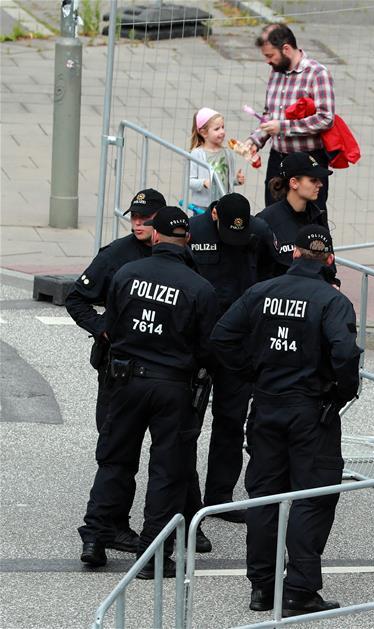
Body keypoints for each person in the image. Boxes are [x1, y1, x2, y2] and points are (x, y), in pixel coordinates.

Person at [210, 225, 361, 616]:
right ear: (329, 259)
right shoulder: (332, 300)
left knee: (265, 497)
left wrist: (251, 374)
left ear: (293, 253)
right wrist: (339, 392)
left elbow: (222, 336)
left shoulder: (262, 291)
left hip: (267, 405)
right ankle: (299, 589)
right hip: (311, 410)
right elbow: (346, 353)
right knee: (313, 496)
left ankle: (261, 587)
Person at [78, 207, 219, 579]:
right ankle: (152, 554)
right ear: (187, 240)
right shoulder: (199, 288)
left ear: (155, 237)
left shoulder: (127, 274)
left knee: (115, 460)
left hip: (125, 381)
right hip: (173, 386)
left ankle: (94, 536)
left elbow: (110, 325)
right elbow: (208, 348)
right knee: (167, 472)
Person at [66, 188, 166, 555]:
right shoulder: (116, 255)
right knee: (116, 453)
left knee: (161, 455)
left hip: (158, 371)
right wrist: (100, 326)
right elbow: (76, 298)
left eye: (146, 218)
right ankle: (109, 527)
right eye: (134, 217)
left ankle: (111, 527)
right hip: (117, 369)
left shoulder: (174, 252)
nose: (138, 223)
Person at [187, 193, 278, 524]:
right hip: (199, 340)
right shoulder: (193, 232)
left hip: (239, 344)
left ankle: (219, 495)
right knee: (187, 423)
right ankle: (188, 497)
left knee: (230, 421)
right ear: (214, 217)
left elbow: (272, 276)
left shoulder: (260, 232)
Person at [248, 23, 335, 211]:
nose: (268, 61)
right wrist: (255, 141)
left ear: (286, 49)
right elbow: (268, 115)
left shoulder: (317, 73)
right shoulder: (276, 72)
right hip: (278, 160)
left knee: (311, 219)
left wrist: (283, 127)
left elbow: (326, 118)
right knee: (273, 217)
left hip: (308, 162)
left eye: (270, 55)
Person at [256, 151, 334, 278]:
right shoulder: (266, 220)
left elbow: (329, 262)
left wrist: (333, 282)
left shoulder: (318, 216)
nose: (320, 184)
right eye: (313, 180)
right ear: (294, 183)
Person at [189, 108, 246, 213]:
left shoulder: (227, 153)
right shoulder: (197, 154)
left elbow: (225, 179)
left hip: (224, 204)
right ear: (203, 133)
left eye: (223, 127)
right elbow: (189, 181)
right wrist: (203, 183)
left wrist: (236, 181)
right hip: (204, 207)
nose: (222, 132)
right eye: (217, 129)